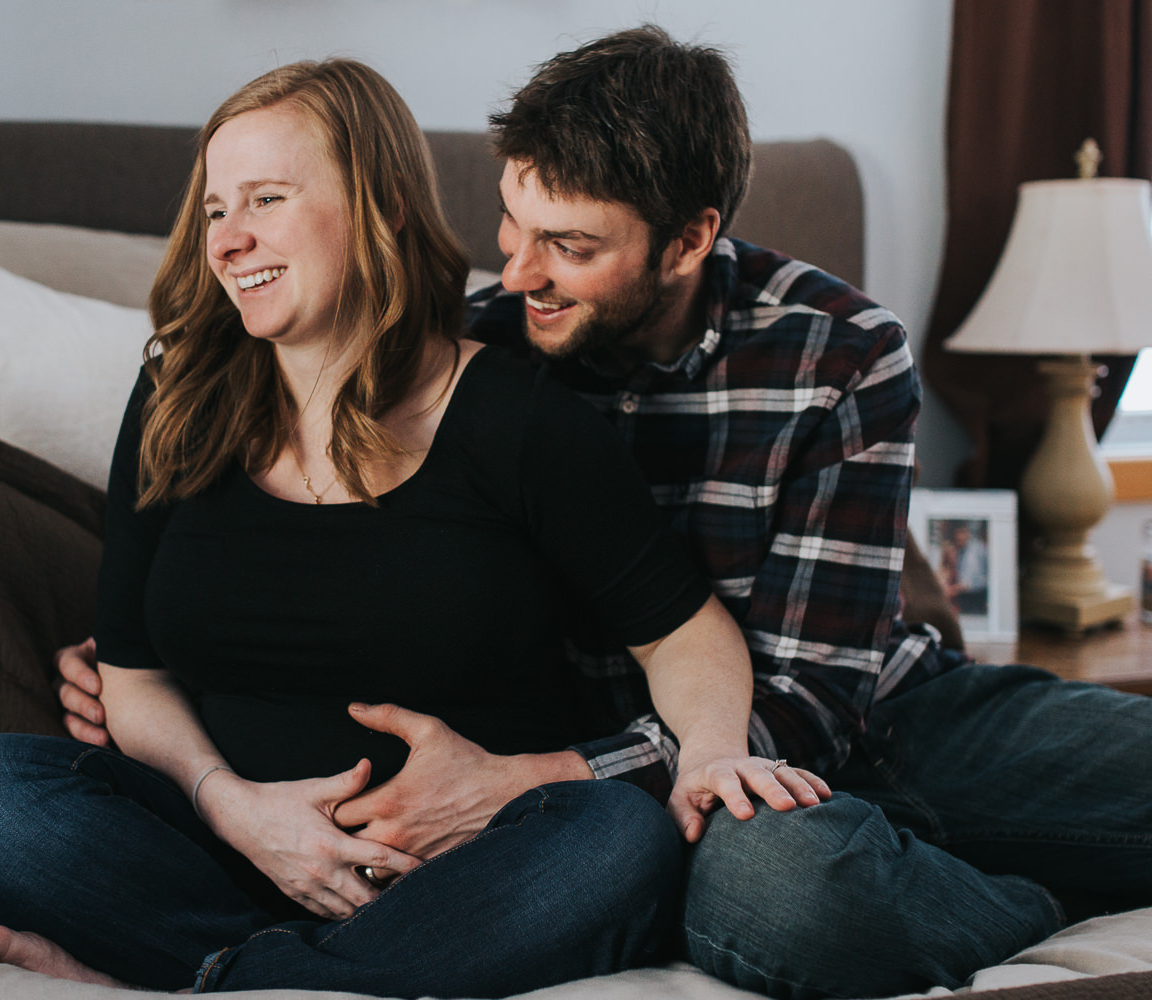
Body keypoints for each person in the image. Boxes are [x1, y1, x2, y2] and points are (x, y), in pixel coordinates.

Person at [57, 25, 1152, 1000]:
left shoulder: (838, 350)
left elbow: (815, 697)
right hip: (687, 790)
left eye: (571, 248)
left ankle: (957, 856)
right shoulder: (471, 354)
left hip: (848, 709)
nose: (518, 273)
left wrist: (527, 779)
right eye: (512, 224)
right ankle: (1022, 901)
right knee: (783, 889)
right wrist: (151, 681)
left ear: (688, 240)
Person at [0, 58, 824, 998]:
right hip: (220, 847)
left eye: (266, 199)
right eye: (215, 209)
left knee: (616, 842)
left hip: (452, 874)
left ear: (382, 203)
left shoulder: (515, 416)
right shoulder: (175, 395)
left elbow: (684, 634)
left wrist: (716, 750)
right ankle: (278, 974)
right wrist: (235, 810)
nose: (229, 242)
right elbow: (134, 676)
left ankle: (200, 976)